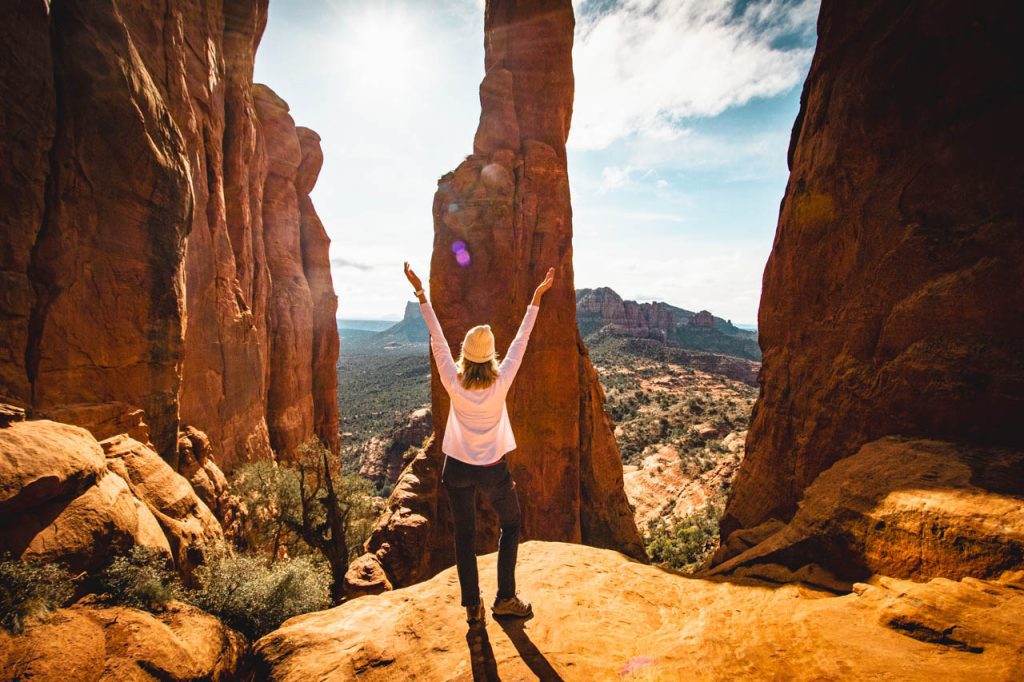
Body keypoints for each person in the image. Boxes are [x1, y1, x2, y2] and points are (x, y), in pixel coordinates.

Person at [403, 262, 555, 625]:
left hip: (455, 469)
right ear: (489, 357)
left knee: (465, 536)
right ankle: (505, 598)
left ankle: (473, 605)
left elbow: (437, 339)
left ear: (466, 355)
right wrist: (536, 297)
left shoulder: (453, 382)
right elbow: (521, 341)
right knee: (511, 524)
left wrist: (422, 293)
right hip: (493, 472)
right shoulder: (501, 381)